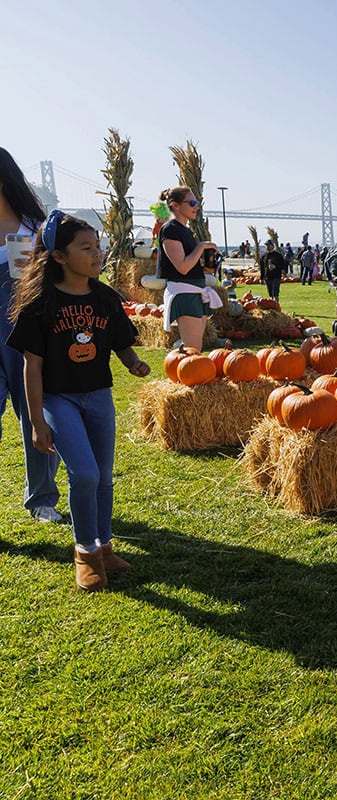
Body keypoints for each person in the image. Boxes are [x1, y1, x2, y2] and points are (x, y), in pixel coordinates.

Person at [6, 211, 151, 590]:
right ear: (58, 256)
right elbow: (31, 369)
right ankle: (85, 553)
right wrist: (37, 423)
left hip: (99, 396)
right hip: (59, 400)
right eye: (86, 247)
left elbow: (120, 339)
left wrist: (133, 362)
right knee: (84, 473)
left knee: (103, 477)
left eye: (98, 246)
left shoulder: (104, 297)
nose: (97, 253)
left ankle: (105, 547)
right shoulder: (40, 303)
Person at [0, 147, 63, 523]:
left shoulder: (35, 226)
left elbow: (63, 276)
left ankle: (42, 498)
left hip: (26, 337)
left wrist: (39, 269)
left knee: (35, 414)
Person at [156, 186, 221, 351]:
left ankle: (186, 375)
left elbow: (190, 265)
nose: (196, 206)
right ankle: (186, 375)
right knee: (193, 349)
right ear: (175, 205)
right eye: (191, 202)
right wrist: (201, 247)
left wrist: (208, 264)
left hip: (196, 290)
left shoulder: (185, 230)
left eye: (197, 202)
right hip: (184, 292)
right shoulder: (170, 229)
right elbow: (182, 267)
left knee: (194, 348)